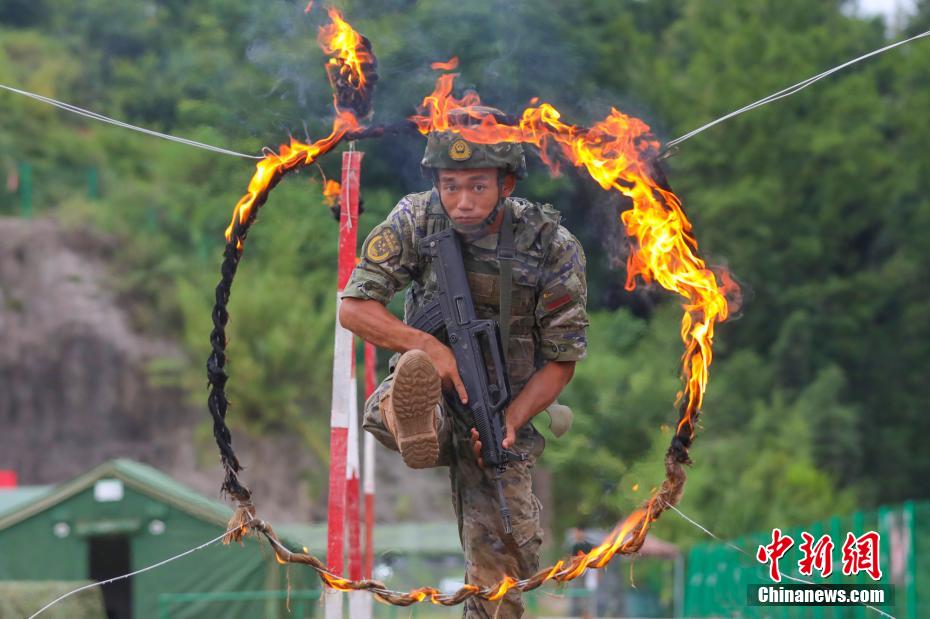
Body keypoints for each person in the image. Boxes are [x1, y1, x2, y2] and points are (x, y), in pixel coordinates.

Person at [339, 105, 589, 618]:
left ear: (508, 184)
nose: (462, 201)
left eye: (478, 186)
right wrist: (430, 347)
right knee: (414, 387)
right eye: (450, 186)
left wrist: (510, 424)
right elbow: (354, 308)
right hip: (431, 386)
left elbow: (562, 361)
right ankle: (412, 422)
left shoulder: (550, 246)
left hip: (504, 410)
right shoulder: (416, 217)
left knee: (506, 564)